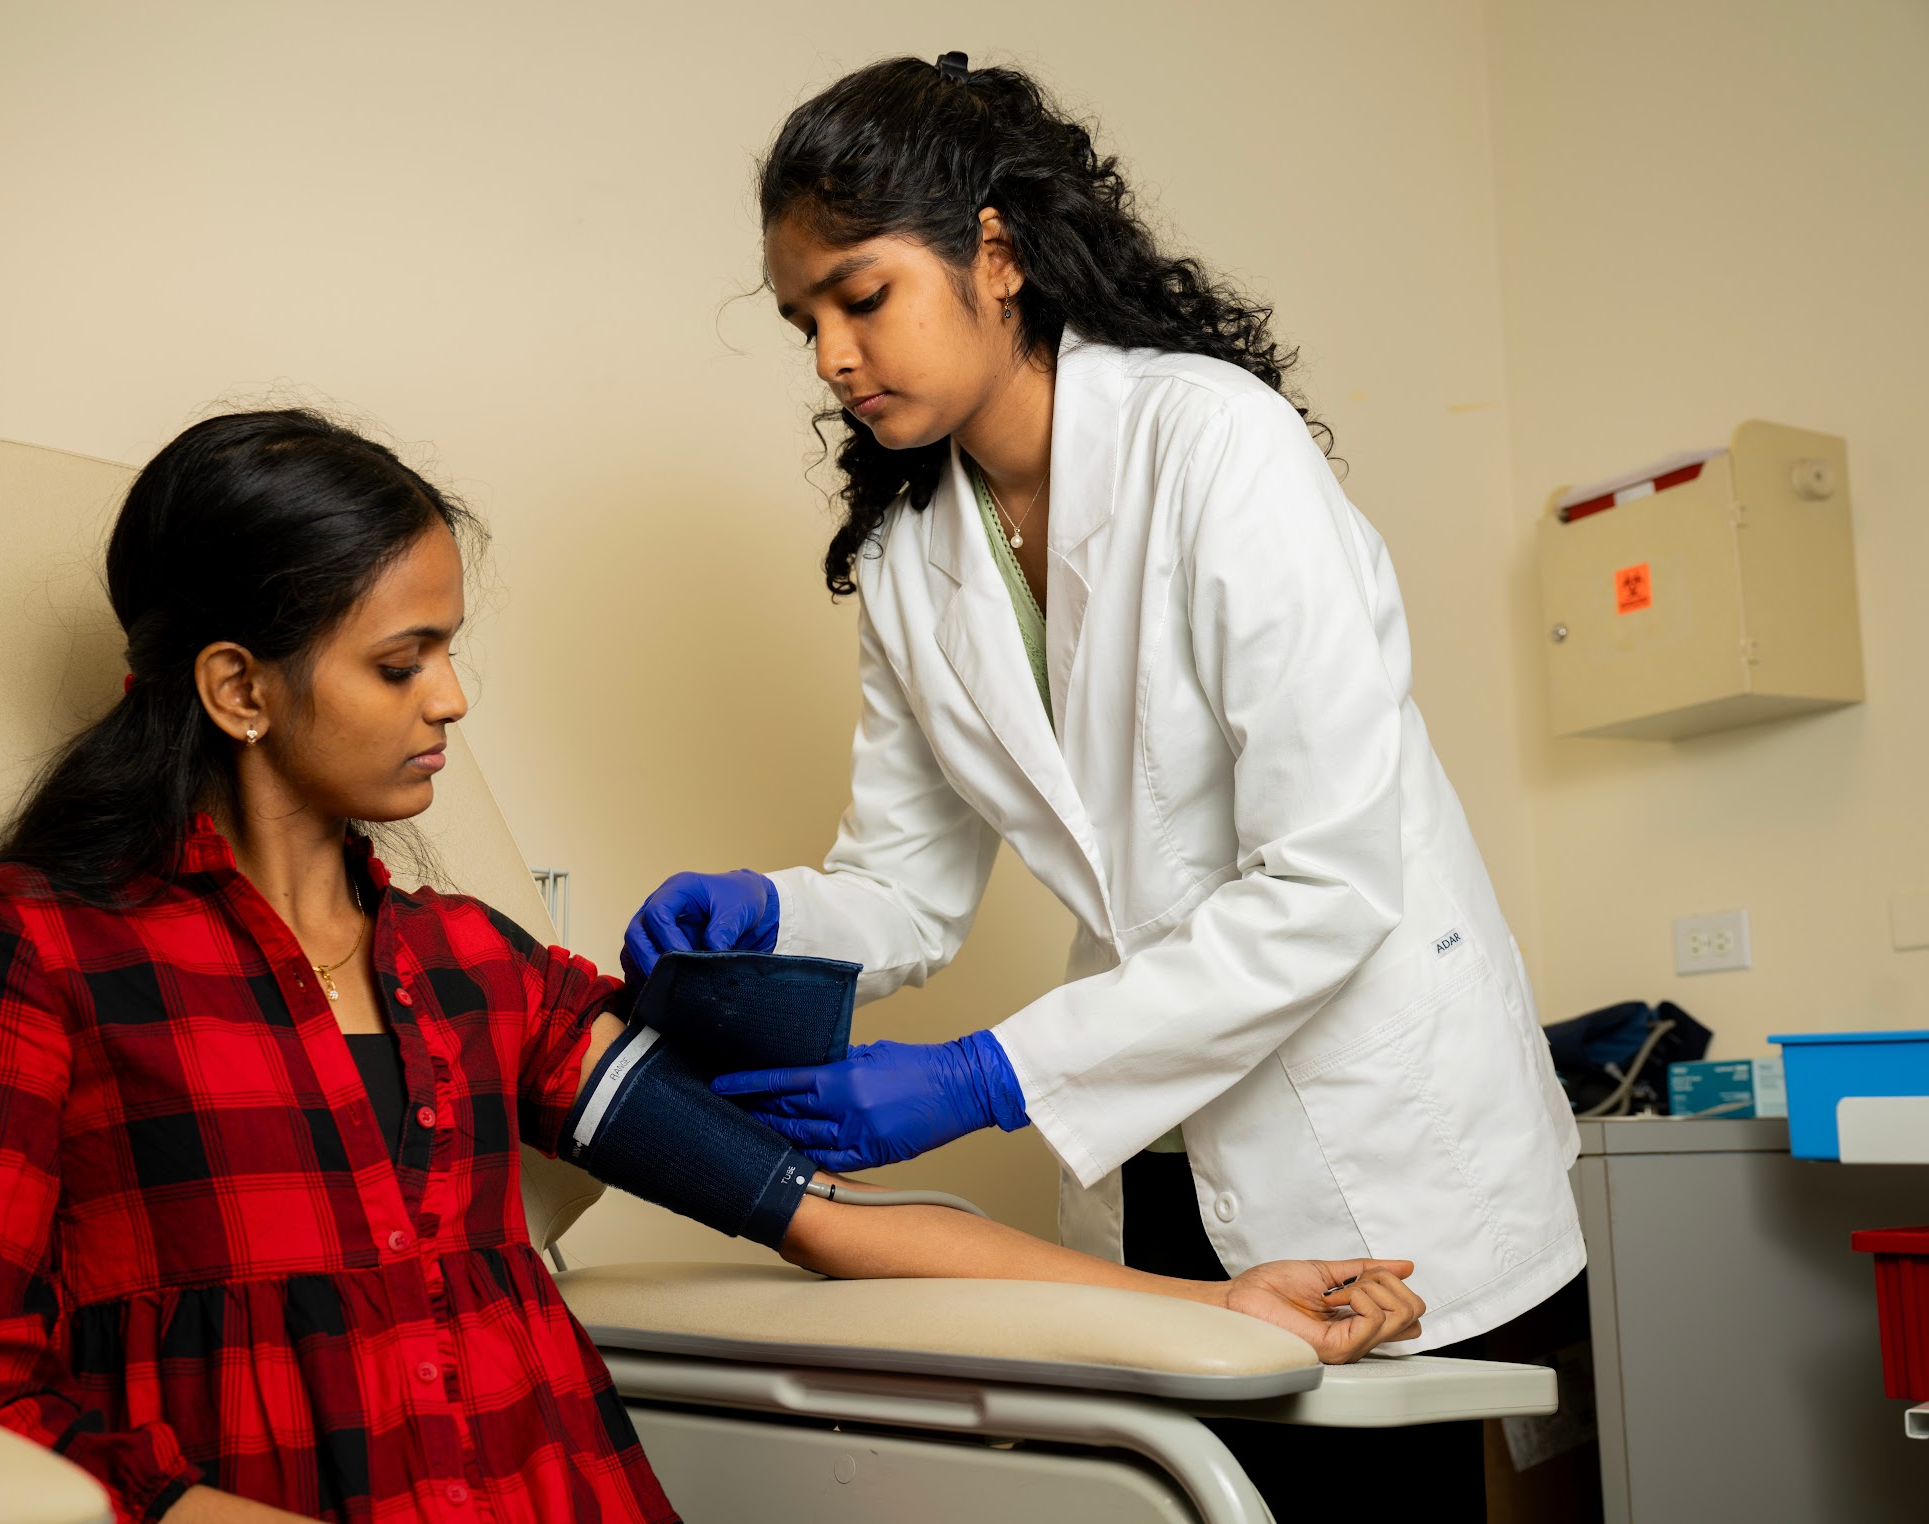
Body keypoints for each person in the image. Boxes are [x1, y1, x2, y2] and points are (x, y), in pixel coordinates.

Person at [0, 409, 1424, 1524]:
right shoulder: (36, 953)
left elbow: (830, 1227)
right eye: (402, 661)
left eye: (450, 648)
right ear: (236, 688)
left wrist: (1214, 1304)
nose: (452, 700)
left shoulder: (471, 976)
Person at [623, 54, 1583, 1520]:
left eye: (859, 295)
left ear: (993, 254)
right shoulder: (908, 562)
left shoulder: (1213, 449)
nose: (828, 352)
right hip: (1149, 1145)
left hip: (1365, 1125)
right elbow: (903, 888)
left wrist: (982, 1077)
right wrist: (766, 912)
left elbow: (1327, 881)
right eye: (802, 318)